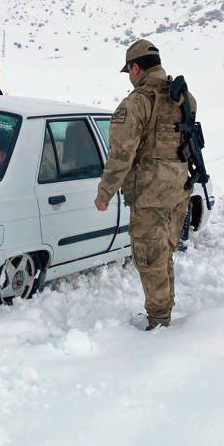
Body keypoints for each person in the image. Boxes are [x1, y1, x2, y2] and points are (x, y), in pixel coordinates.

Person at [93, 39, 195, 331]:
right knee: (163, 253)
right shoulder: (185, 98)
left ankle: (159, 322)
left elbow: (121, 154)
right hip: (179, 189)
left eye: (129, 71)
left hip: (150, 194)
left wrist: (105, 193)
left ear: (136, 68)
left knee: (150, 258)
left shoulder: (137, 102)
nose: (130, 77)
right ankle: (164, 312)